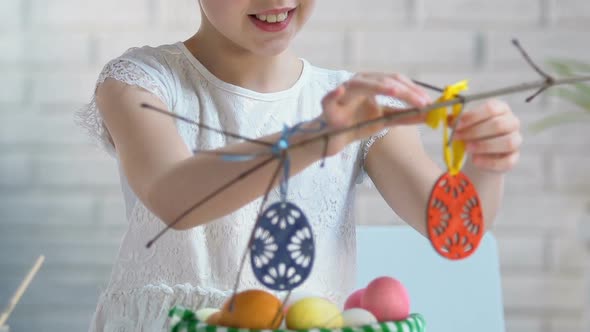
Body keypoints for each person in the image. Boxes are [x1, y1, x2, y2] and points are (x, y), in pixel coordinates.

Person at [77, 1, 522, 331]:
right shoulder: (140, 81)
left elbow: (456, 230)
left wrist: (488, 163)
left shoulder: (359, 104)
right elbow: (176, 197)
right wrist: (316, 137)